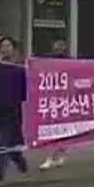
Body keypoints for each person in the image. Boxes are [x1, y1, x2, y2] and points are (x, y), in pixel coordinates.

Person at [0, 35, 29, 183]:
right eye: (2, 46)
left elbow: (25, 91)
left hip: (13, 110)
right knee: (11, 142)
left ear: (14, 49)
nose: (5, 49)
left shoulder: (20, 68)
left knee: (4, 141)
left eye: (8, 46)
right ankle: (19, 160)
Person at [38, 38, 70, 170]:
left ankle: (60, 154)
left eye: (61, 47)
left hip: (66, 99)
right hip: (52, 99)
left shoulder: (70, 62)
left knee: (63, 129)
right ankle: (50, 157)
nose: (58, 49)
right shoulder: (48, 61)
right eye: (56, 47)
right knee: (52, 129)